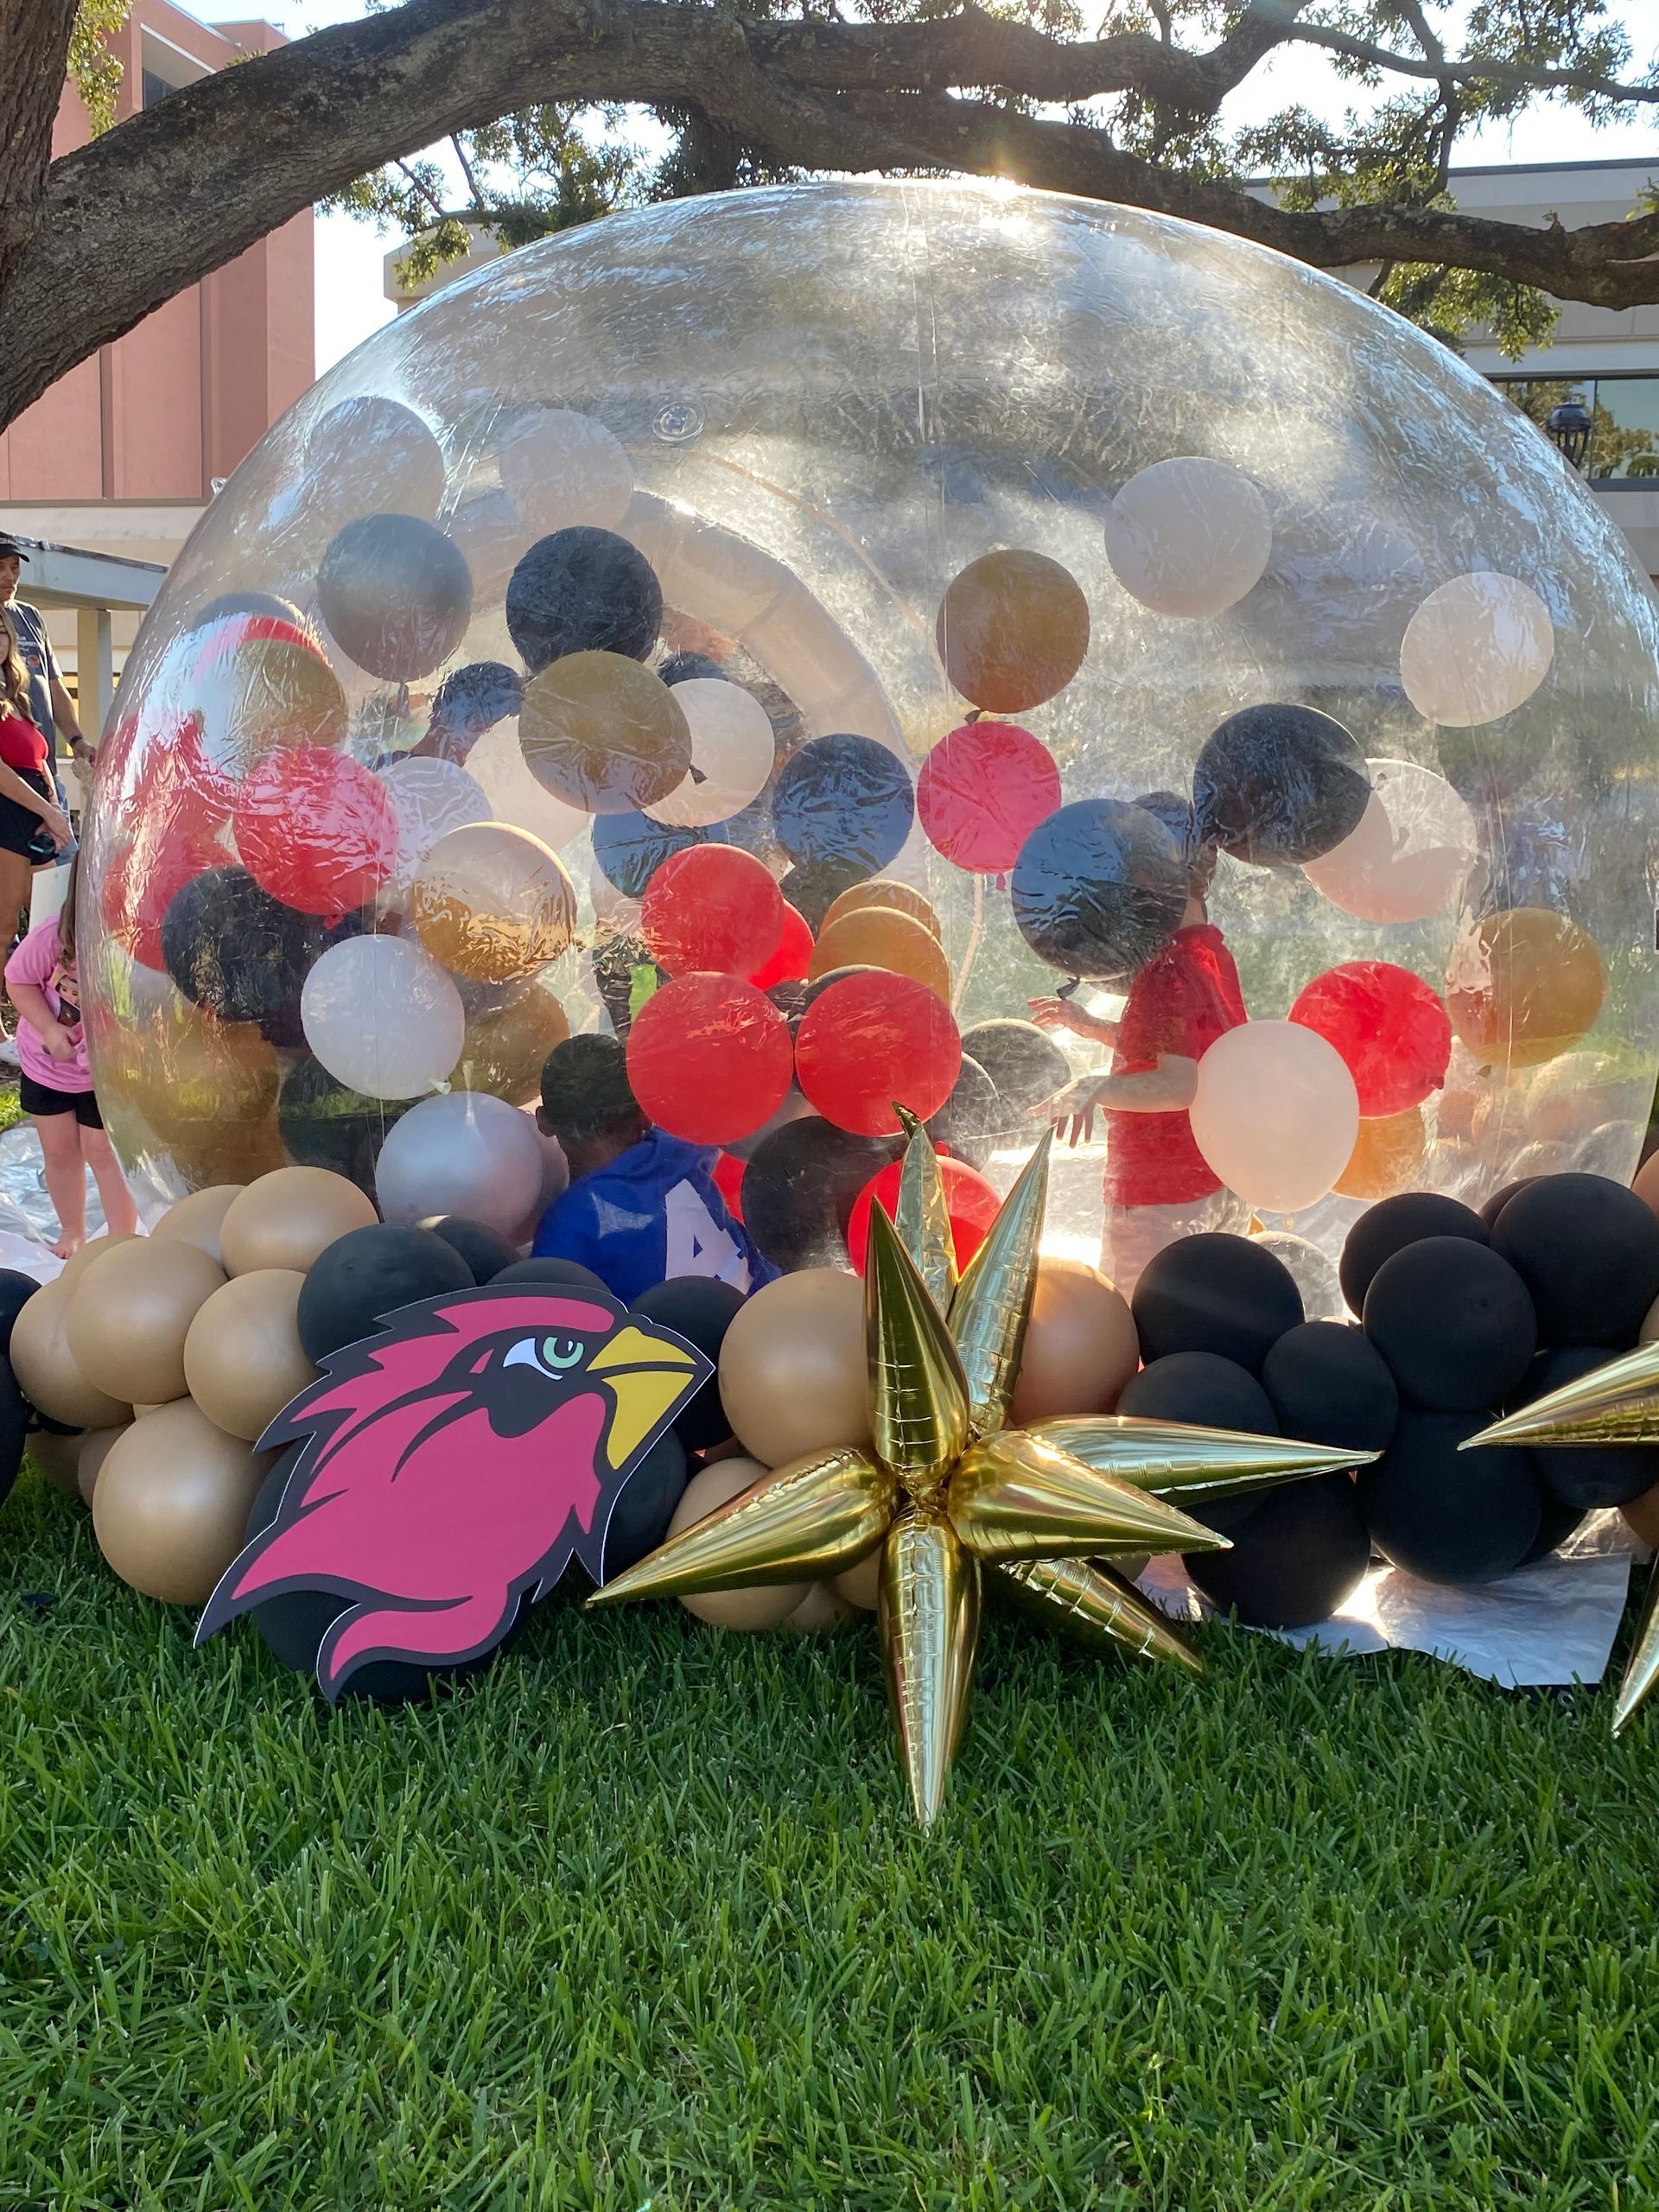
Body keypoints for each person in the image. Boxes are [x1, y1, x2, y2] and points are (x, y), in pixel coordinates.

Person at [1033, 794, 1249, 1294]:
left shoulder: (1167, 972)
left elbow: (1178, 1083)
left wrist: (1092, 1087)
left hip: (1159, 1199)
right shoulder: (1209, 954)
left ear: (1147, 879)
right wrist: (1095, 1027)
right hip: (1210, 1182)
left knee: (1138, 1334)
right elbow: (1187, 1051)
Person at [533, 1033, 778, 1303]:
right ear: (644, 1113)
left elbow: (546, 1320)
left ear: (543, 1122)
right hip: (770, 1303)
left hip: (693, 1343)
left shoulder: (569, 1224)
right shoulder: (686, 1145)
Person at [4, 854, 137, 1260]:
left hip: (103, 1073)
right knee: (60, 1151)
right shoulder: (53, 938)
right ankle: (72, 1231)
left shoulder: (134, 943)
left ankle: (122, 1239)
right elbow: (18, 980)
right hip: (46, 1067)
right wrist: (49, 1028)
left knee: (103, 1151)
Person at [0, 540, 98, 789]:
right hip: (9, 782)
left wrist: (77, 740)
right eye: (0, 568)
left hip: (46, 776)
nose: (9, 577)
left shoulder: (30, 616)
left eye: (14, 568)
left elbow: (52, 686)